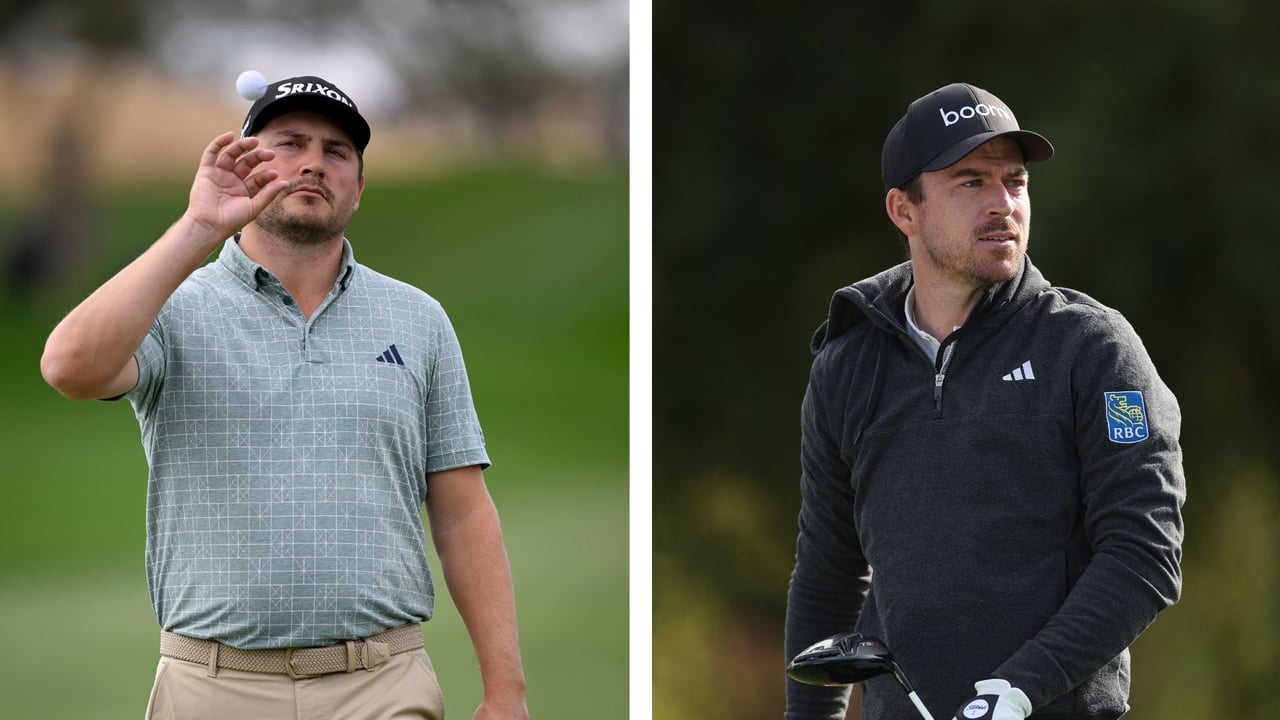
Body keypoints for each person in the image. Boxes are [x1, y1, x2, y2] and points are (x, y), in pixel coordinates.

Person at [41, 75, 529, 720]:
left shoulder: (419, 319)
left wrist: (506, 692)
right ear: (245, 163)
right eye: (289, 143)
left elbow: (463, 512)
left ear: (357, 186)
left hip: (381, 682)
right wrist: (196, 229)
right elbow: (70, 368)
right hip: (212, 684)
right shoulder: (173, 307)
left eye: (336, 152)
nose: (312, 163)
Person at [783, 82, 1185, 720]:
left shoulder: (1092, 347)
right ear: (903, 209)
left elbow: (1144, 551)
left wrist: (1025, 686)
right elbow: (830, 572)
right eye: (970, 182)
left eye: (1015, 182)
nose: (1003, 204)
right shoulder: (848, 367)